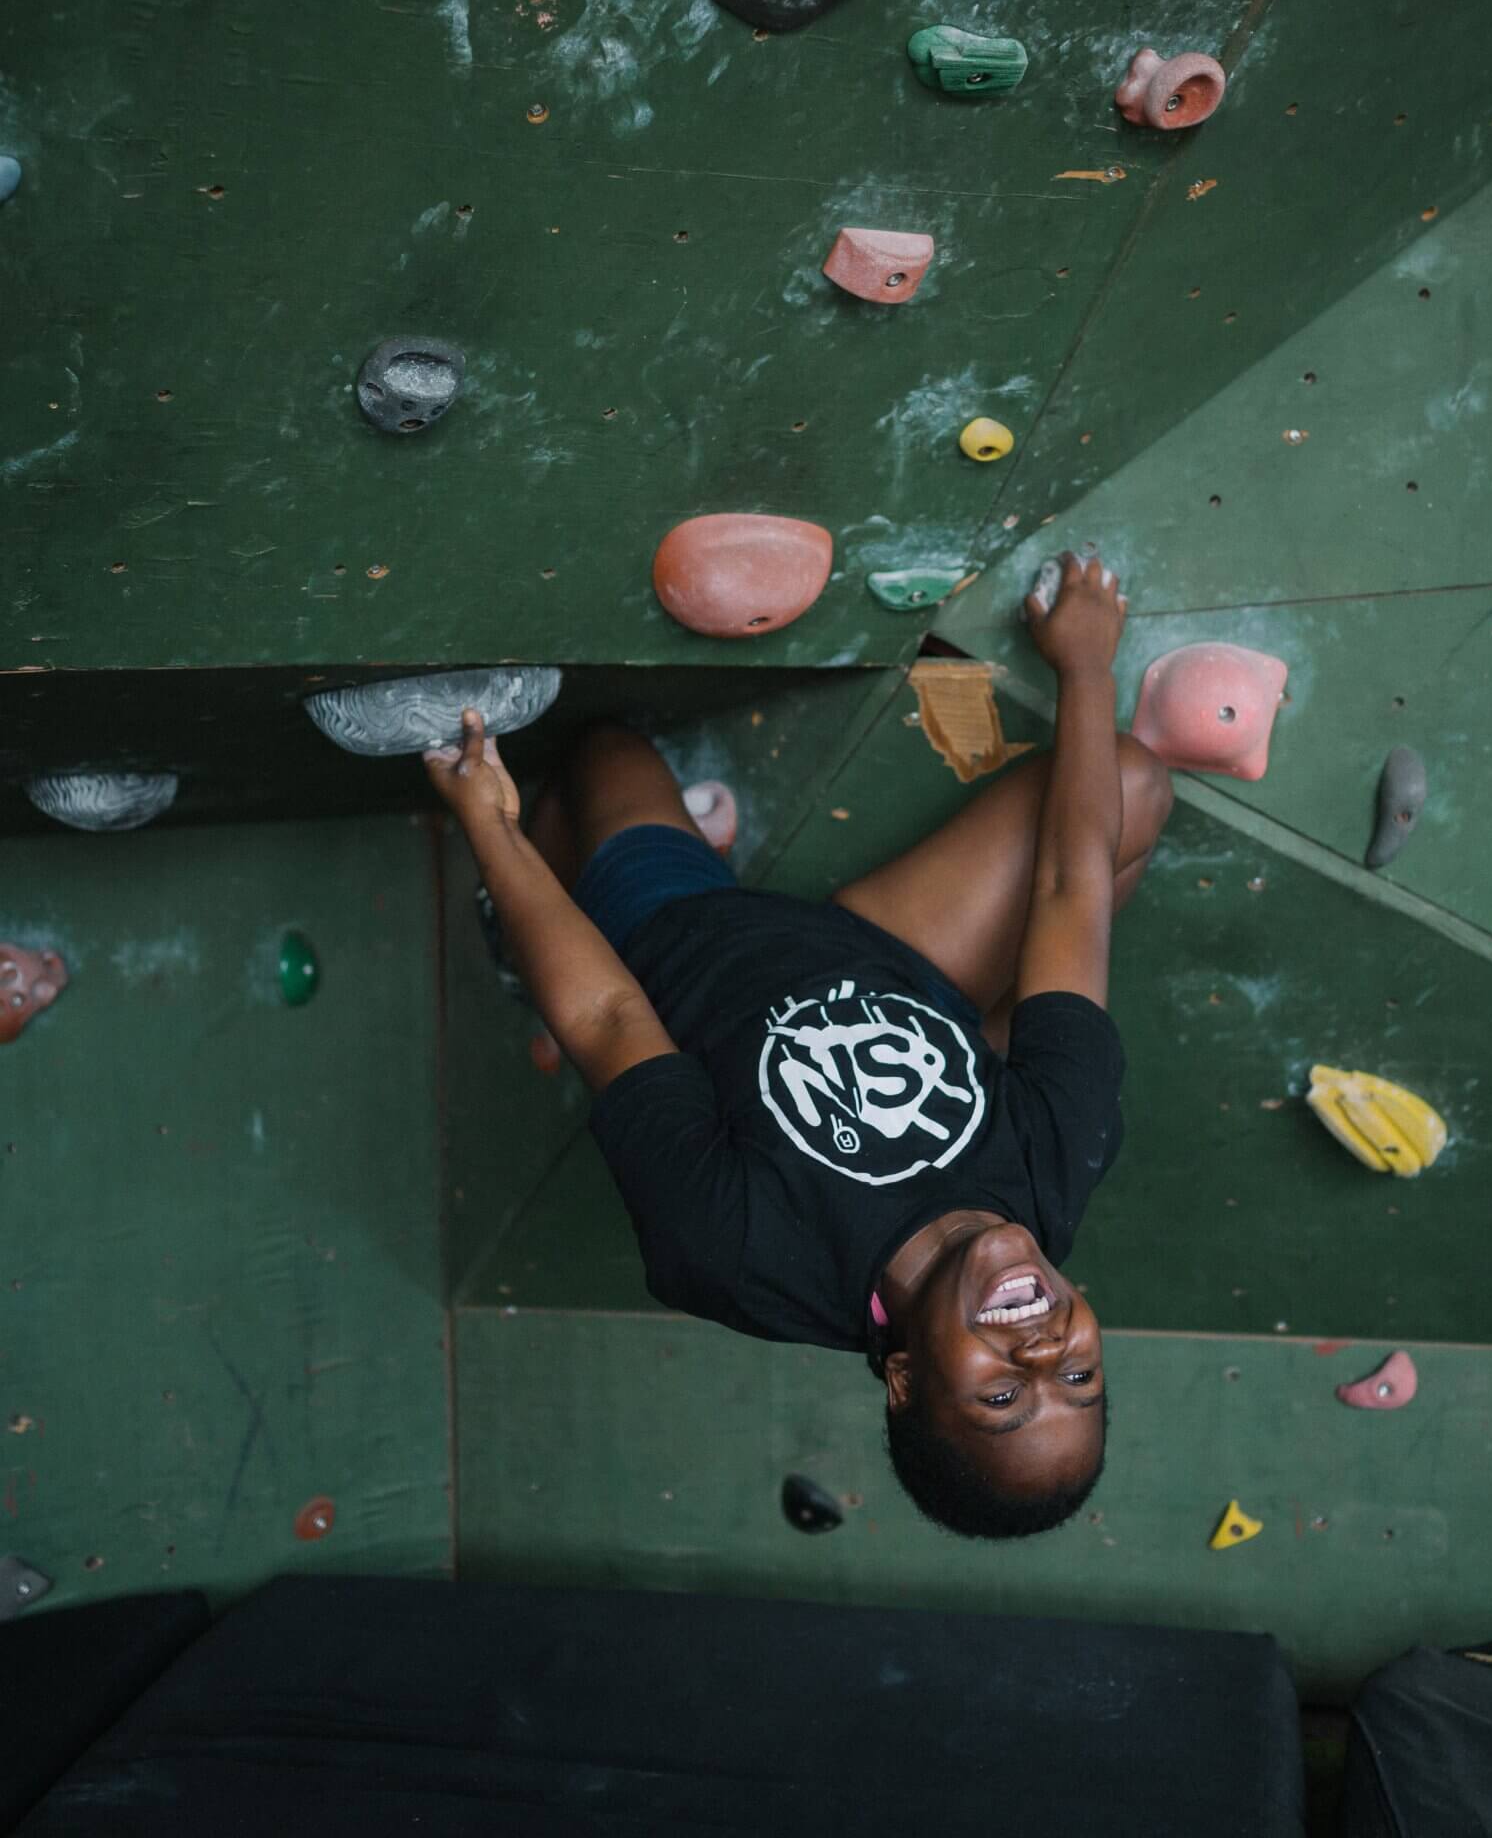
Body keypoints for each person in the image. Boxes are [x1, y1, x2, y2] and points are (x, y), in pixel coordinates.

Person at [424, 556, 1172, 1540]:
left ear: (904, 1379)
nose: (1039, 1349)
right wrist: (1083, 665)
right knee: (1128, 780)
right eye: (1077, 1374)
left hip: (684, 948)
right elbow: (1071, 885)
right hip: (887, 957)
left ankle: (524, 910)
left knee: (603, 754)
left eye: (1000, 1396)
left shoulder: (738, 1251)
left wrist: (494, 834)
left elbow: (608, 1021)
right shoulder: (1058, 1154)